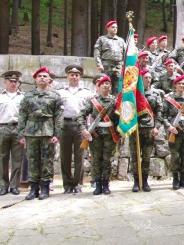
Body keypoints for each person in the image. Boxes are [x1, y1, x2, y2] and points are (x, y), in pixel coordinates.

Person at [18, 68, 64, 200]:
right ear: (35, 79)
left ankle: (45, 188)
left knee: (47, 160)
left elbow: (58, 117)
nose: (42, 78)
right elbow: (22, 115)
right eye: (40, 76)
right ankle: (33, 189)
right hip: (31, 132)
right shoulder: (27, 96)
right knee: (32, 159)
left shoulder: (55, 96)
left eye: (45, 76)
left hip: (47, 131)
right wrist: (21, 134)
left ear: (49, 79)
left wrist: (57, 134)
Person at [78, 75, 119, 195]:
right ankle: (97, 185)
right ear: (98, 86)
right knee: (96, 160)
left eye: (108, 84)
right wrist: (83, 129)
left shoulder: (114, 101)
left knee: (107, 160)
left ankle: (106, 184)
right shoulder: (93, 101)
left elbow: (118, 118)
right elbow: (81, 115)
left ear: (110, 87)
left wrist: (118, 133)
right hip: (95, 134)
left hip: (109, 134)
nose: (106, 86)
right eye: (103, 84)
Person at [58, 65, 93, 194]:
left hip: (80, 127)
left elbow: (90, 112)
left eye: (76, 75)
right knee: (65, 157)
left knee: (80, 157)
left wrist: (87, 128)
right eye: (71, 75)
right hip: (65, 125)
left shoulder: (87, 92)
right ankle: (67, 184)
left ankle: (78, 183)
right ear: (67, 76)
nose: (74, 77)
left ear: (80, 77)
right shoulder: (60, 92)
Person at [129, 69, 166, 192]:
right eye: (145, 77)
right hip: (135, 128)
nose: (148, 79)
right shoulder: (133, 93)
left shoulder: (155, 94)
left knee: (146, 156)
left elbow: (159, 111)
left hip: (149, 129)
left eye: (150, 77)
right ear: (141, 79)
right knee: (135, 156)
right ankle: (136, 181)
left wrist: (157, 127)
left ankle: (144, 181)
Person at [0, 71, 25, 196]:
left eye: (15, 81)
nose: (13, 83)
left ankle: (15, 185)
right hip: (2, 128)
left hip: (18, 129)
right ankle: (3, 185)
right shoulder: (1, 97)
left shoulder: (23, 97)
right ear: (5, 82)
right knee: (2, 158)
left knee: (17, 159)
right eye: (10, 81)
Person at [93, 20, 126, 95]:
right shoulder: (102, 39)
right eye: (113, 27)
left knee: (118, 86)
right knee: (106, 85)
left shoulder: (121, 40)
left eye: (116, 27)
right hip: (106, 65)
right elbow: (97, 52)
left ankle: (116, 102)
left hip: (118, 66)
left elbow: (125, 53)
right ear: (108, 28)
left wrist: (124, 64)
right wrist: (99, 64)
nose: (115, 29)